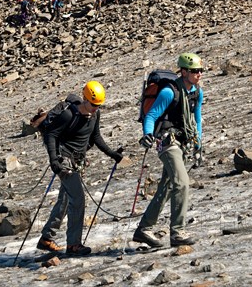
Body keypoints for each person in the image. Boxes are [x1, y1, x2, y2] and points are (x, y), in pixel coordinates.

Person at [37, 81, 124, 256]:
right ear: (84, 98)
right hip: (64, 160)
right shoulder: (69, 115)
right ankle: (74, 245)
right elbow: (51, 135)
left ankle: (46, 238)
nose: (95, 108)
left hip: (78, 161)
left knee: (66, 199)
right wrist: (54, 160)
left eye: (98, 105)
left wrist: (112, 154)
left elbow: (96, 136)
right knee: (78, 199)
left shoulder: (95, 115)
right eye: (93, 104)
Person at [134, 53, 204, 248]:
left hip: (182, 142)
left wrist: (198, 143)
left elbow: (197, 119)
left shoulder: (197, 92)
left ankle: (144, 229)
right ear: (183, 71)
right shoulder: (169, 92)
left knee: (166, 188)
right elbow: (151, 115)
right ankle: (178, 232)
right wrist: (148, 134)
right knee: (182, 183)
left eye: (200, 70)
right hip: (167, 142)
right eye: (194, 71)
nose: (199, 74)